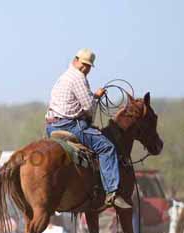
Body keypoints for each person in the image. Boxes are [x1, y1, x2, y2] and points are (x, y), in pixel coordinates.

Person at [45, 48, 131, 209]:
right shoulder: (79, 78)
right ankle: (112, 192)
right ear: (76, 60)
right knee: (107, 148)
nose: (86, 68)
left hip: (51, 127)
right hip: (70, 126)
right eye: (84, 64)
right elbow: (90, 108)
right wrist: (96, 96)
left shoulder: (63, 77)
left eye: (89, 66)